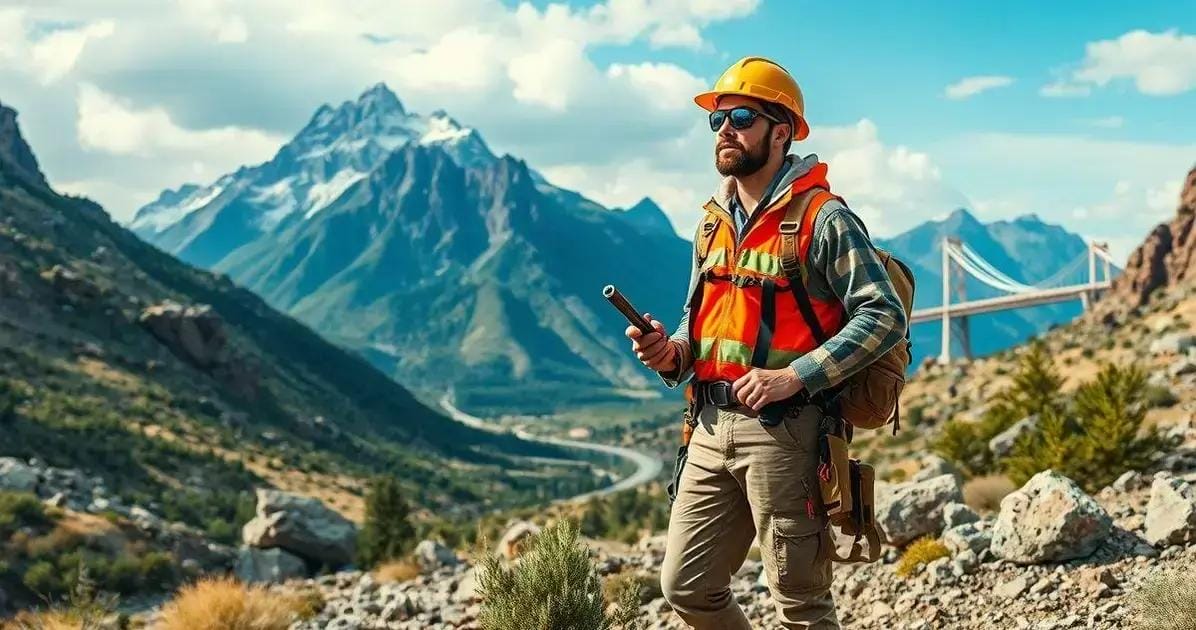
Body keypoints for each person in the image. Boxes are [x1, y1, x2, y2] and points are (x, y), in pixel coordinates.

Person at [624, 56, 907, 629]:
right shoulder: (711, 223)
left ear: (782, 133)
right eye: (718, 119)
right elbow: (698, 321)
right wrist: (671, 353)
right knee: (687, 587)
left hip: (787, 428)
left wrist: (794, 376)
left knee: (800, 601)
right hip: (707, 427)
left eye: (742, 118)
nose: (725, 130)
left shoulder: (824, 219)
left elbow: (884, 313)